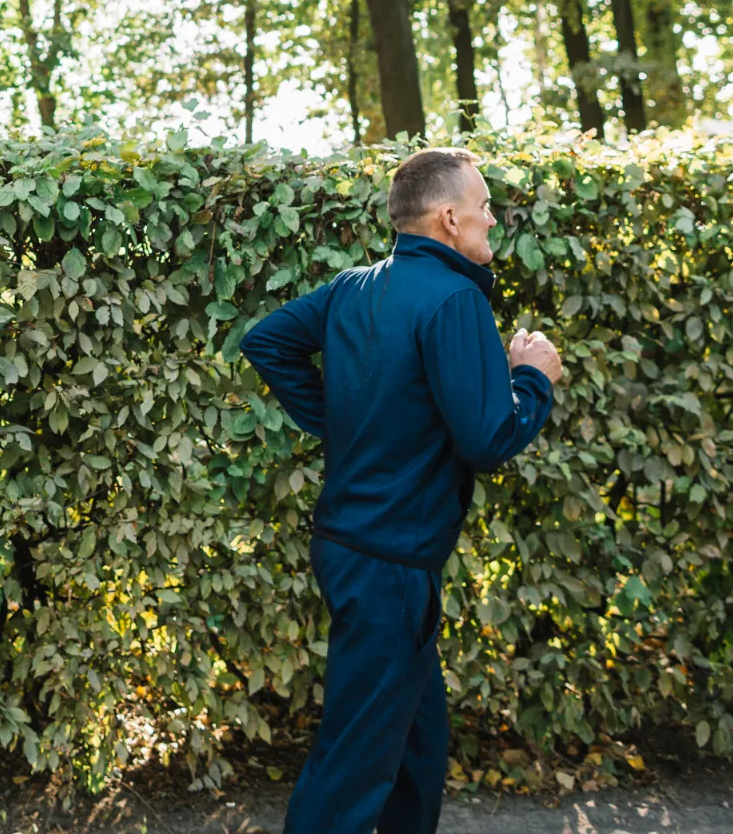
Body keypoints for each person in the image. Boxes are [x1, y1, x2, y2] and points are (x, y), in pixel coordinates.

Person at [238, 146, 564, 834]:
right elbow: (487, 440)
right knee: (353, 767)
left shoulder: (356, 286)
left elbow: (267, 340)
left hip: (361, 549)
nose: (492, 221)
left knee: (416, 752)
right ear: (449, 219)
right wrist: (533, 377)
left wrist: (349, 424)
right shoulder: (455, 299)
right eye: (482, 209)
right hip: (387, 563)